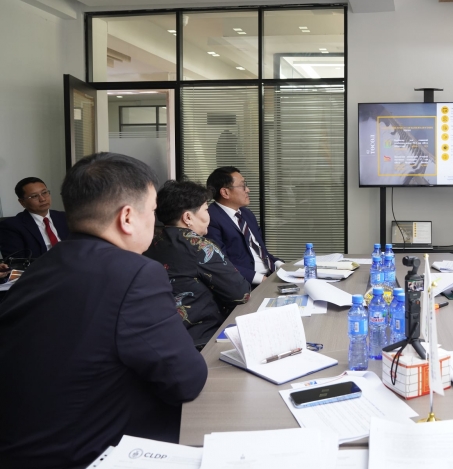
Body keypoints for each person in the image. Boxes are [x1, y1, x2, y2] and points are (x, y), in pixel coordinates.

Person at [0, 153, 207, 469]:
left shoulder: (42, 267)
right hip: (88, 454)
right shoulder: (136, 273)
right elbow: (186, 381)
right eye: (152, 211)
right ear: (127, 217)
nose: (154, 221)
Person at [144, 180, 251, 347]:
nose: (209, 216)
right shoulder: (198, 246)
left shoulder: (148, 242)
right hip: (201, 340)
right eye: (206, 210)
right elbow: (241, 293)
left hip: (157, 338)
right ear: (188, 217)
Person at [206, 166, 282, 286]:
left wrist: (280, 265)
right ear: (225, 192)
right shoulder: (211, 218)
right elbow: (220, 263)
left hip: (269, 276)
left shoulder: (246, 214)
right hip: (246, 284)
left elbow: (260, 251)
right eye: (243, 186)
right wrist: (263, 280)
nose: (248, 190)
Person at [0, 177, 69, 260]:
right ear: (22, 202)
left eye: (44, 193)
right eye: (34, 196)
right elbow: (16, 262)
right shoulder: (11, 227)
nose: (42, 199)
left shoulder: (64, 217)